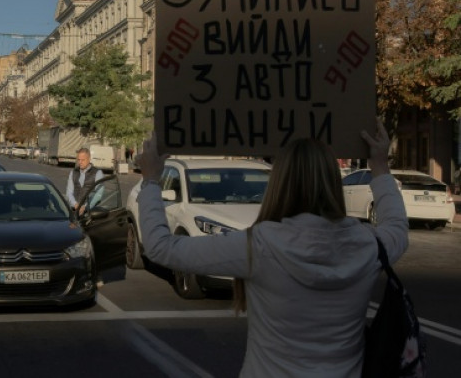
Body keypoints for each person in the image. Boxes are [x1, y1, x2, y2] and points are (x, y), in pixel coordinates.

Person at [133, 118, 408, 377]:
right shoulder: (368, 245)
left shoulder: (260, 245)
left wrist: (150, 181)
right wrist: (381, 168)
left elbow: (160, 247)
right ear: (334, 182)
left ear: (279, 182)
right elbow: (396, 227)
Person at [65, 147, 103, 213]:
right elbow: (69, 192)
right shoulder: (73, 172)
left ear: (89, 159)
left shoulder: (98, 173)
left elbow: (98, 195)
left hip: (89, 213)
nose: (80, 162)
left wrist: (85, 207)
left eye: (83, 160)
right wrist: (75, 204)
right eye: (78, 160)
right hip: (74, 210)